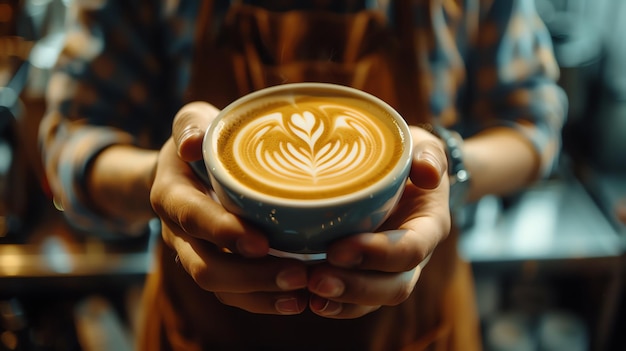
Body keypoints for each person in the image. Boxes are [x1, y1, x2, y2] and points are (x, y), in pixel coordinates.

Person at [39, 0, 567, 350]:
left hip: (418, 329)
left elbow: (535, 124)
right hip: (202, 326)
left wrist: (447, 168)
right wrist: (156, 180)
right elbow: (70, 142)